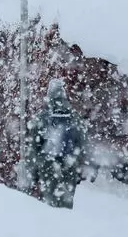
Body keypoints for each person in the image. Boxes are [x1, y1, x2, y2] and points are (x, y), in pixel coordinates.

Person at [26, 79, 86, 209]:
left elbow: (34, 146)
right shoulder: (74, 116)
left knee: (50, 199)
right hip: (68, 163)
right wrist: (75, 159)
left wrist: (35, 168)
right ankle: (67, 221)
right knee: (68, 196)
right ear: (64, 95)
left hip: (48, 164)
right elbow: (81, 142)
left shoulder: (42, 117)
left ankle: (53, 223)